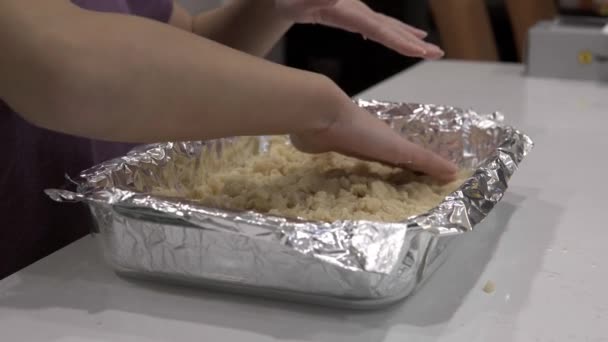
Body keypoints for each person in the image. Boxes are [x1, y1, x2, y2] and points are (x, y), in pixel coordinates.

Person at [0, 0, 457, 279]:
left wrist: (269, 8)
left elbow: (180, 50)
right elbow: (67, 67)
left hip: (91, 266)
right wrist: (320, 107)